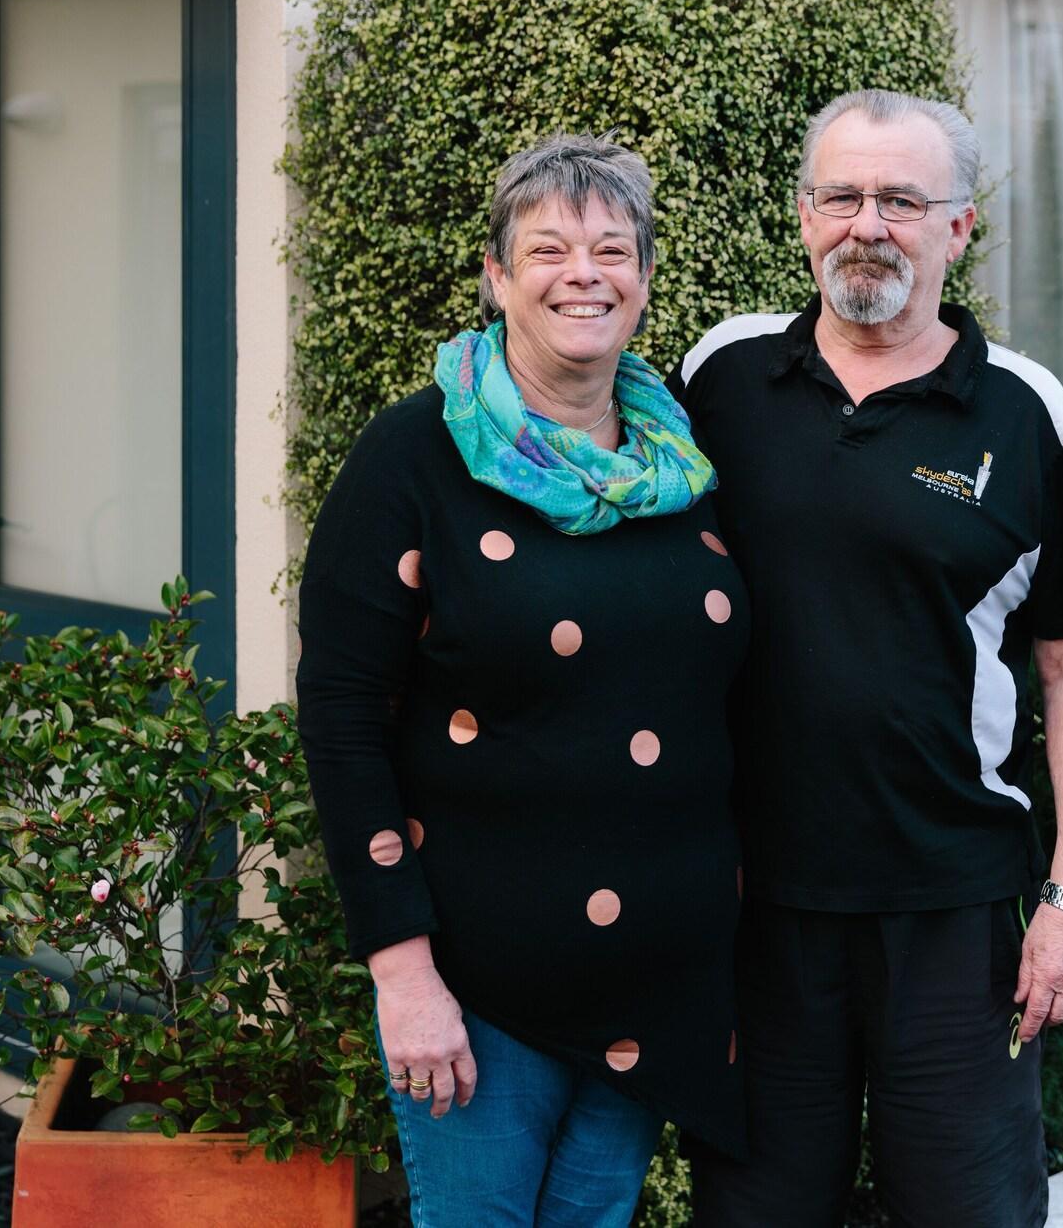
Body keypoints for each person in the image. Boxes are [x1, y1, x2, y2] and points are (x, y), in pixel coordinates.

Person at [671, 89, 1063, 1227]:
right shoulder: (718, 379)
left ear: (958, 228)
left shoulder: (1027, 414)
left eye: (901, 199)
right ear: (802, 214)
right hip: (755, 905)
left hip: (951, 911)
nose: (865, 223)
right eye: (840, 194)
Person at [296, 134, 749, 1227]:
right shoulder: (411, 457)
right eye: (547, 248)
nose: (582, 273)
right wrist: (402, 976)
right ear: (497, 277)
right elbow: (343, 718)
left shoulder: (683, 459)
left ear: (643, 276)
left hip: (657, 977)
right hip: (478, 983)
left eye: (611, 247)